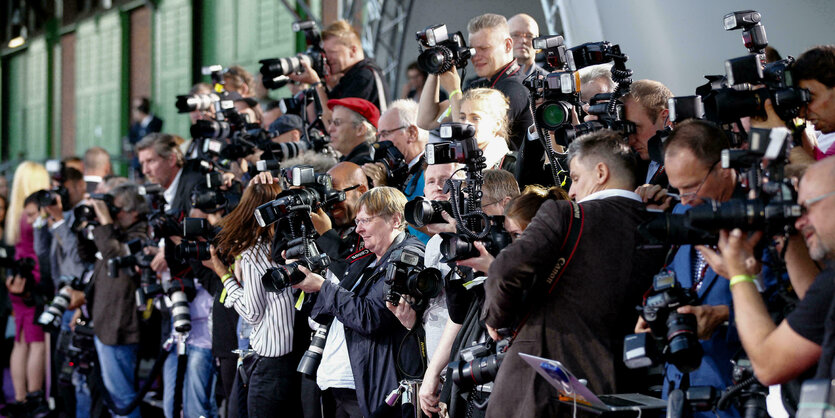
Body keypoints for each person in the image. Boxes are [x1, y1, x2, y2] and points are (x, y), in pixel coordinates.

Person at [483, 130, 660, 418]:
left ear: (601, 172)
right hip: (621, 393)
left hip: (539, 390)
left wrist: (496, 319)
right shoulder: (660, 223)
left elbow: (503, 272)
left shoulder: (564, 213)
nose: (573, 191)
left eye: (576, 178)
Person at [636, 119, 743, 418]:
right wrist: (655, 314)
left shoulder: (760, 218)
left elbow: (793, 308)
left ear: (724, 169)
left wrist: (724, 317)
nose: (684, 200)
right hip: (680, 394)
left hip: (734, 395)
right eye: (678, 189)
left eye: (692, 187)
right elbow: (676, 275)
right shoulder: (684, 209)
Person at [695, 157, 831, 388]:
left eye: (807, 208)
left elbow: (769, 366)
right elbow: (816, 305)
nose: (800, 222)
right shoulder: (829, 285)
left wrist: (739, 274)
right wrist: (783, 230)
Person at [294, 187, 425, 418]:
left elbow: (370, 317)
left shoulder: (409, 257)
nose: (358, 229)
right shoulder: (365, 260)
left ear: (395, 220)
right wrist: (310, 284)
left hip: (369, 389)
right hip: (339, 384)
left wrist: (322, 287)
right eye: (357, 221)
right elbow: (320, 313)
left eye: (365, 220)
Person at [208, 181, 303, 417]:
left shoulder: (253, 253)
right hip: (299, 361)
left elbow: (252, 312)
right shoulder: (297, 246)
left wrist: (224, 275)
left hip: (270, 365)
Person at [417, 13, 532, 154]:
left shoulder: (516, 89)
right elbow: (426, 120)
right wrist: (435, 63)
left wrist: (454, 91)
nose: (476, 56)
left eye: (484, 48)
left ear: (508, 45)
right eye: (472, 50)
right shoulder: (479, 86)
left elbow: (469, 141)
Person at [88, 183, 150, 418]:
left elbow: (114, 254)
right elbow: (87, 253)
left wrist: (105, 221)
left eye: (118, 209)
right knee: (115, 398)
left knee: (123, 399)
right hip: (104, 323)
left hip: (120, 328)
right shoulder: (114, 233)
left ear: (134, 211)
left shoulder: (141, 234)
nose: (114, 214)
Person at [2, 162, 51, 417]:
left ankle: (21, 398)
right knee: (36, 343)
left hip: (17, 281)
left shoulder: (15, 214)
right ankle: (33, 397)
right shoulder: (32, 216)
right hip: (33, 282)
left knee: (21, 342)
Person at [288, 20, 388, 123]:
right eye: (325, 53)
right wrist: (303, 90)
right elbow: (321, 124)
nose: (326, 58)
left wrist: (316, 84)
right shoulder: (349, 78)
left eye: (332, 52)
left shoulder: (365, 76)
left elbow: (335, 124)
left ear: (353, 51)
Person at [361, 100, 430, 241]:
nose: (380, 143)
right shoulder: (403, 170)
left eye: (385, 134)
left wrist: (383, 190)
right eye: (379, 136)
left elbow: (426, 226)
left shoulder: (433, 170)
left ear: (412, 133)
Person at [623, 79, 673, 187]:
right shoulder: (633, 166)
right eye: (627, 130)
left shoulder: (689, 164)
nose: (631, 141)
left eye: (635, 128)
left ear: (665, 118)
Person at [458, 88, 512, 170]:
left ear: (496, 125)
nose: (466, 124)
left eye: (475, 118)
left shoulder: (512, 164)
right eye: (462, 117)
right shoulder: (451, 161)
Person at [326, 97, 379, 165]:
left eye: (337, 123)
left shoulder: (363, 165)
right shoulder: (351, 161)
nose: (330, 129)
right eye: (330, 122)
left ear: (360, 129)